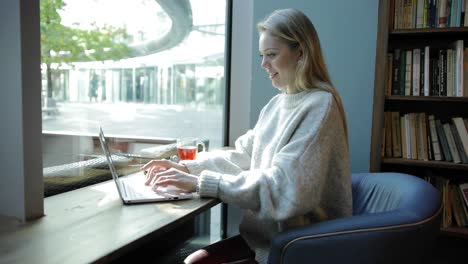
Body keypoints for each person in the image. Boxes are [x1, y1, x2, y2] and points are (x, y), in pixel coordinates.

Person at [141, 8, 352, 264]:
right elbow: (244, 156)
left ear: (301, 52)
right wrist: (186, 167)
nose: (264, 64)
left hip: (294, 248)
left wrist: (201, 183)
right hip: (262, 241)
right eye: (262, 56)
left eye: (272, 55)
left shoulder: (320, 106)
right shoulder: (277, 104)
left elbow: (284, 188)